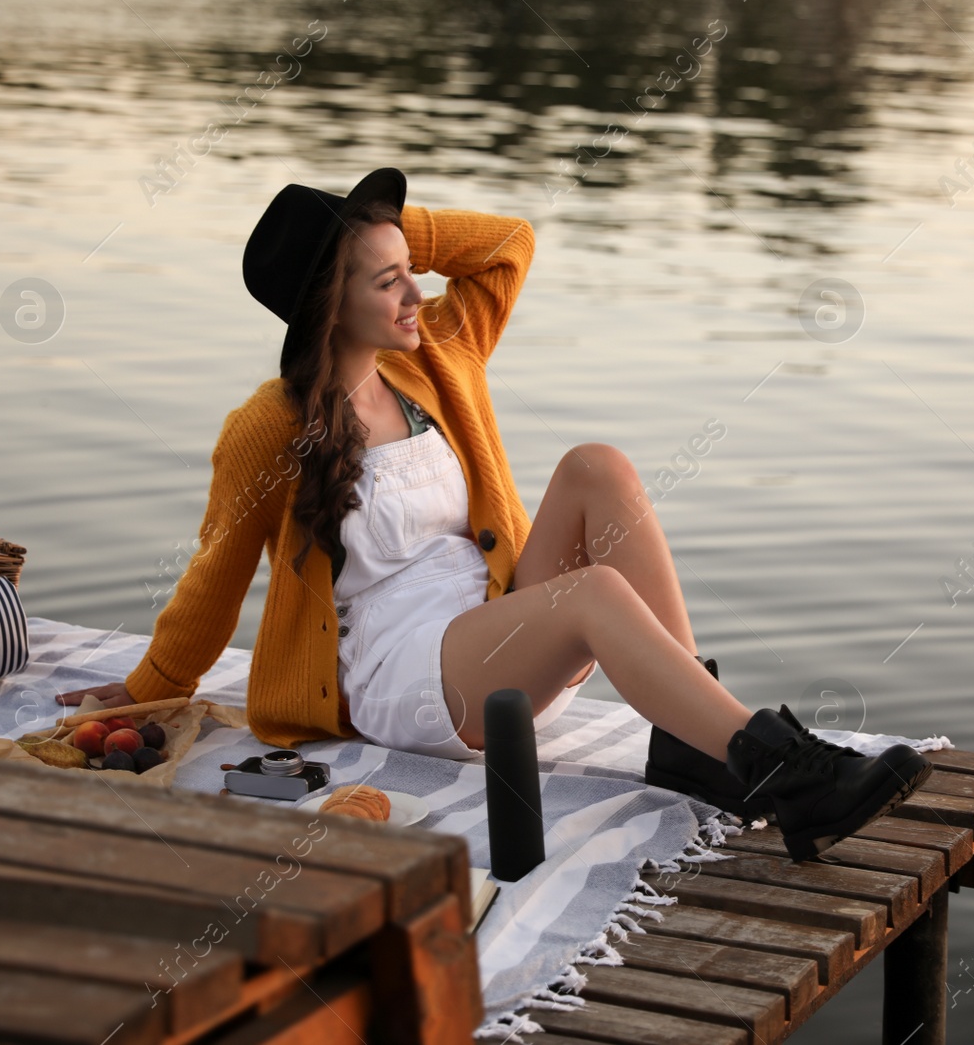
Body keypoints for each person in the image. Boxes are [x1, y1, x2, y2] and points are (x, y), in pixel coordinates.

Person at [58, 168, 930, 860]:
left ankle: (692, 740)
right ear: (331, 303)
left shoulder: (435, 354)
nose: (413, 293)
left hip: (492, 619)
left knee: (598, 467)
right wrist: (147, 688)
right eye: (387, 281)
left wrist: (392, 230)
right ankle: (780, 767)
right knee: (591, 595)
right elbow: (215, 571)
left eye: (412, 274)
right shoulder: (269, 426)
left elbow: (511, 244)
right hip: (409, 670)